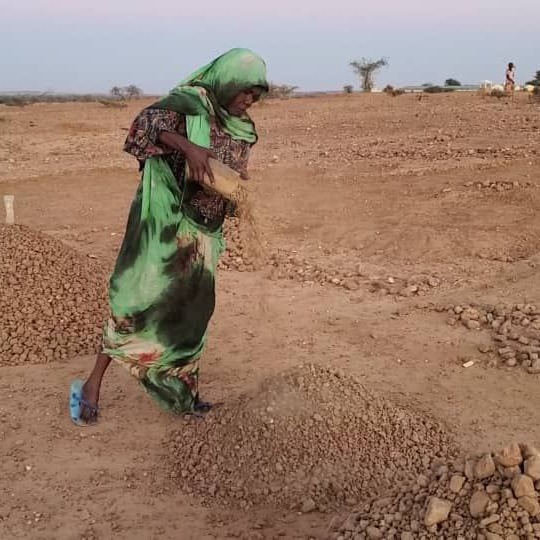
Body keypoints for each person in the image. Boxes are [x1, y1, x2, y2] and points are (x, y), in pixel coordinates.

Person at [69, 48, 268, 424]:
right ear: (226, 82)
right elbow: (142, 128)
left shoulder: (242, 128)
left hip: (203, 232)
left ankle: (184, 396)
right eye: (244, 91)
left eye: (257, 95)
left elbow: (236, 170)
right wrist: (188, 145)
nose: (249, 100)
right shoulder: (188, 104)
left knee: (191, 314)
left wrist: (238, 194)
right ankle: (93, 383)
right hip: (165, 224)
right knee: (136, 303)